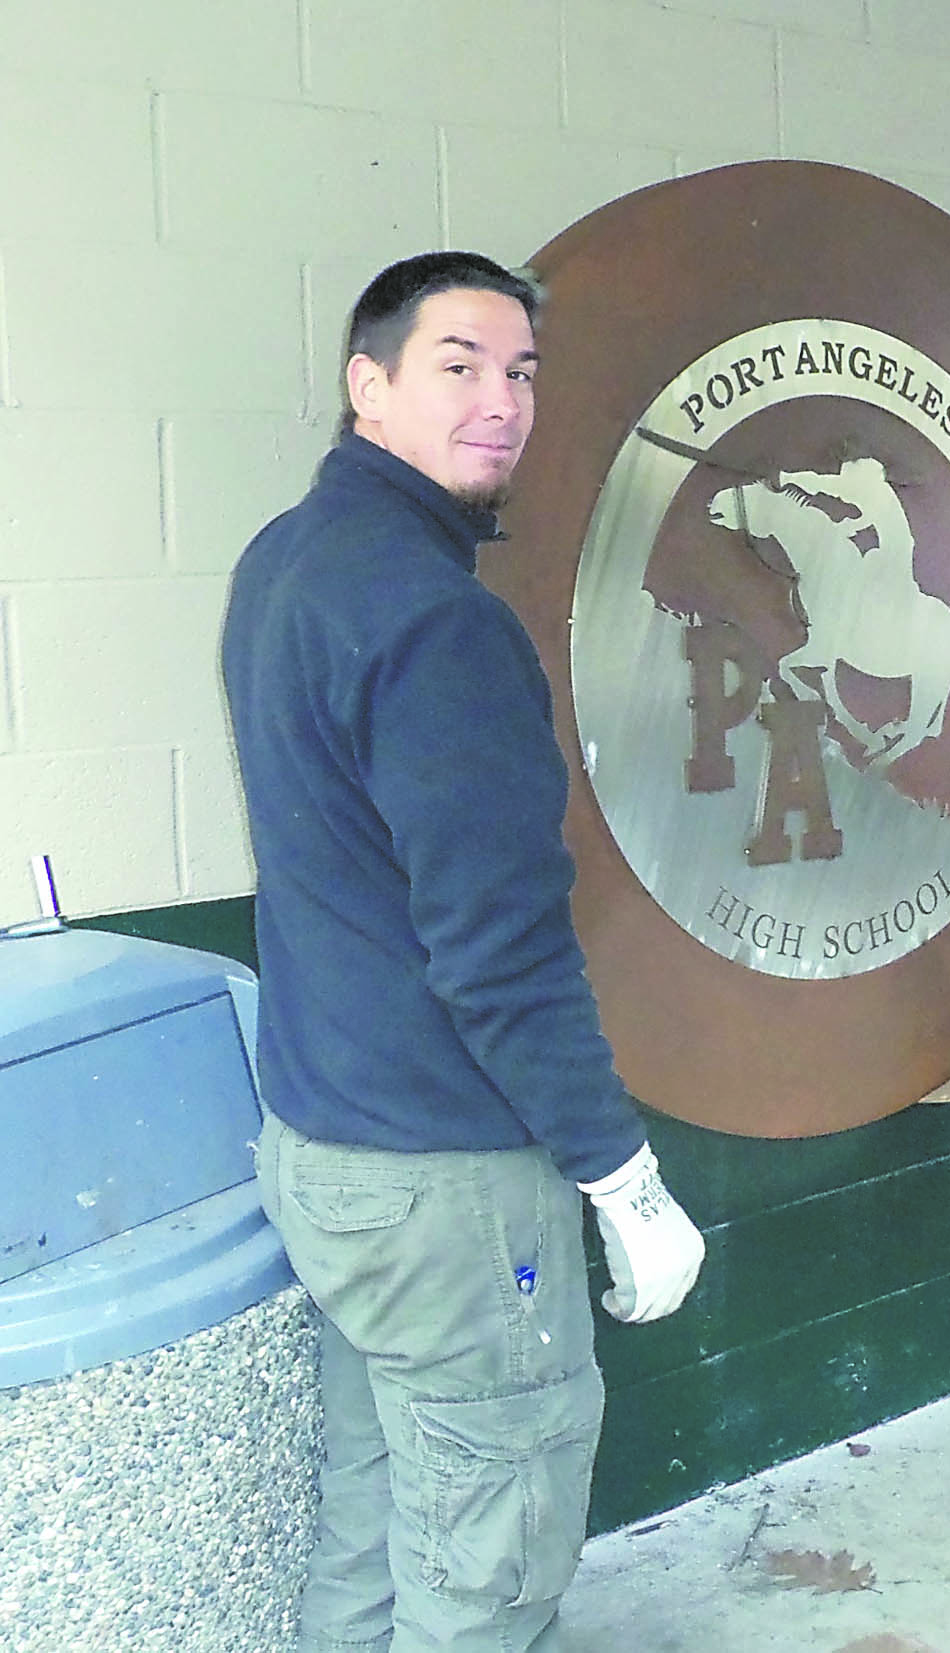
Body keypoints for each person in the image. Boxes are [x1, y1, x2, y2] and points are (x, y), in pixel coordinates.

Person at [222, 251, 707, 1653]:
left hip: (325, 1155)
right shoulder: (440, 623)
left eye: (521, 371)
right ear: (366, 386)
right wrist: (623, 1180)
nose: (499, 402)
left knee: (377, 1524)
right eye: (457, 366)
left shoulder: (288, 564)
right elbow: (498, 957)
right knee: (487, 1565)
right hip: (444, 1191)